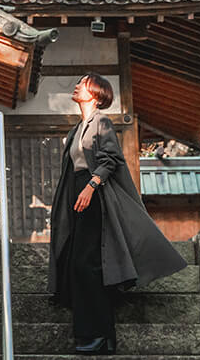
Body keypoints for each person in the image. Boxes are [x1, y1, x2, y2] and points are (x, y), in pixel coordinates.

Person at [48, 74, 186, 354]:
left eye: (83, 82)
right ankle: (100, 336)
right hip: (76, 197)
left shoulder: (101, 122)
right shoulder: (78, 128)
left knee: (87, 265)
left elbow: (111, 159)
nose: (77, 85)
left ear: (96, 94)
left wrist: (90, 187)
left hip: (94, 196)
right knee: (78, 264)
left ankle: (96, 335)